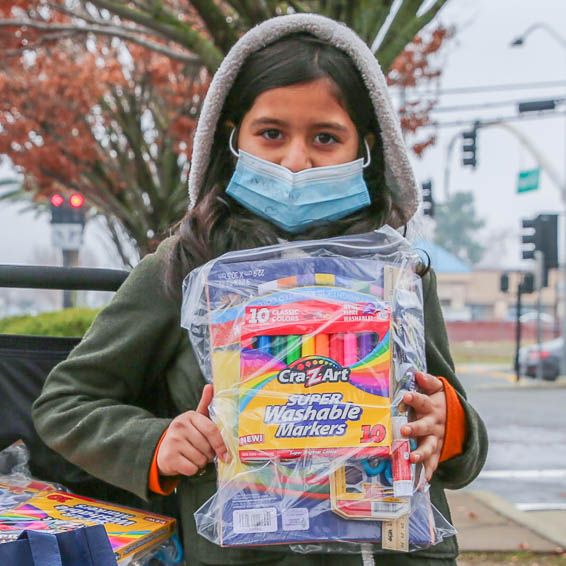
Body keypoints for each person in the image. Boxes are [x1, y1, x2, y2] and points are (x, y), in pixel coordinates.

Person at [33, 13, 488, 566]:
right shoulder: (185, 266)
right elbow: (65, 405)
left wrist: (450, 425)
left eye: (325, 137)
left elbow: (461, 445)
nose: (295, 161)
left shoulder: (399, 272)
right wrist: (157, 444)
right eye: (271, 133)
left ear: (366, 148)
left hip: (398, 552)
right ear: (233, 139)